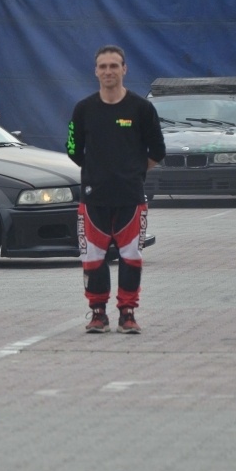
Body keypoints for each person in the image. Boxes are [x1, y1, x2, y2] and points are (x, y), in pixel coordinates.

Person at [66, 45, 165, 334]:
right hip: (93, 199)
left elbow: (157, 150)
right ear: (95, 71)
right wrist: (97, 171)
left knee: (131, 256)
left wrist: (132, 172)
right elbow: (73, 148)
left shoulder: (142, 109)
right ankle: (98, 313)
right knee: (93, 258)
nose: (108, 71)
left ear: (125, 69)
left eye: (114, 66)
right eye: (103, 66)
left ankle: (128, 313)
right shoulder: (83, 109)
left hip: (131, 198)